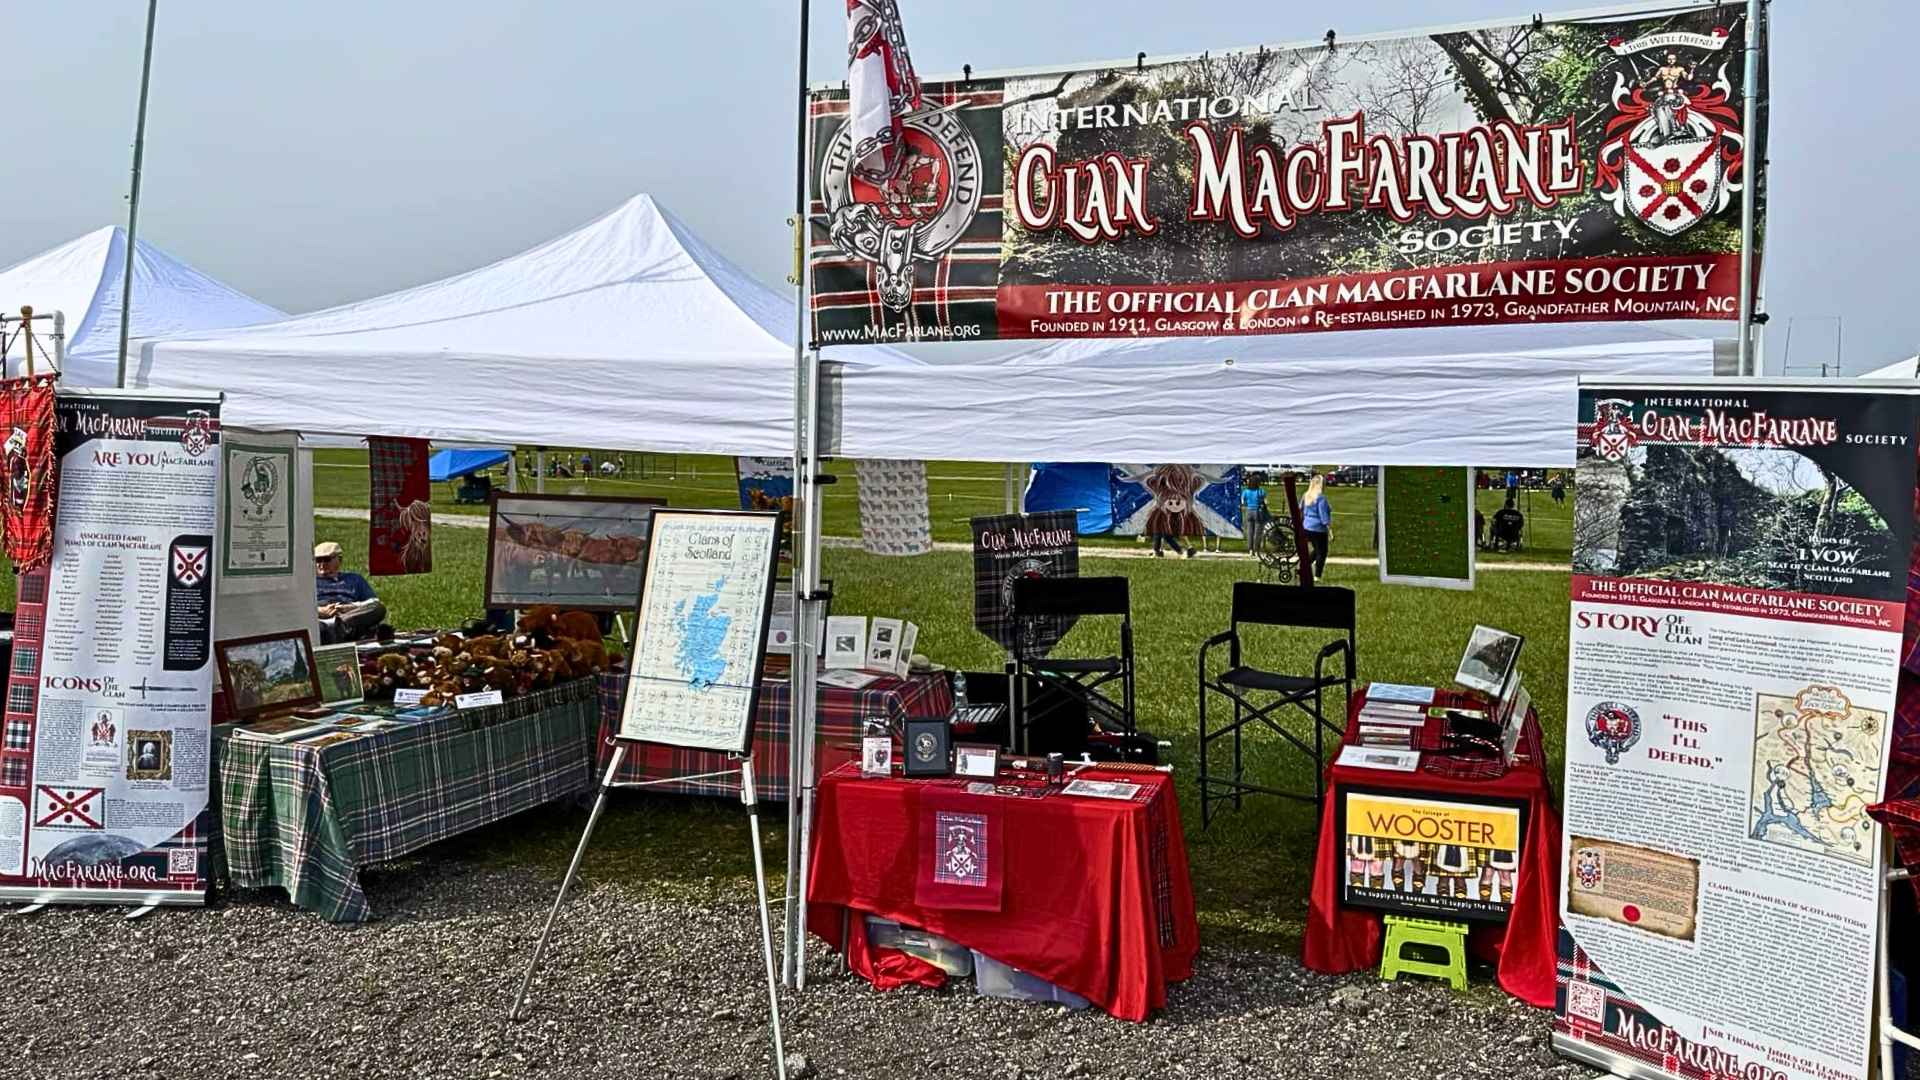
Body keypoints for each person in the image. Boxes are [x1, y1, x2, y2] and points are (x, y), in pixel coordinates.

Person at [314, 541, 387, 645]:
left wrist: (351, 607)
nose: (321, 564)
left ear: (339, 560)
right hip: (321, 617)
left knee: (379, 608)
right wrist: (319, 611)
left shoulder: (354, 579)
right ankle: (341, 630)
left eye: (326, 560)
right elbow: (300, 606)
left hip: (349, 616)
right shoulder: (309, 581)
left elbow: (374, 601)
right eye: (318, 560)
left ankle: (340, 626)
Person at [1301, 473, 1331, 578]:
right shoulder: (1321, 498)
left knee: (1317, 550)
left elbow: (1301, 510)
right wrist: (1329, 529)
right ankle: (1317, 575)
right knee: (1322, 552)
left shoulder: (1306, 496)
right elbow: (1323, 515)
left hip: (1307, 527)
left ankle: (1303, 567)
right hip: (1318, 529)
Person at [1240, 473, 1268, 555]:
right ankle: (1256, 549)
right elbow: (1266, 502)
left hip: (1248, 511)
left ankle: (1250, 549)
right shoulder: (1261, 491)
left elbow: (1242, 501)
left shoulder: (1245, 491)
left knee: (1250, 532)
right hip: (1258, 511)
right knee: (1258, 532)